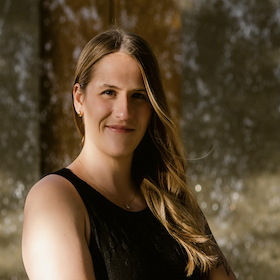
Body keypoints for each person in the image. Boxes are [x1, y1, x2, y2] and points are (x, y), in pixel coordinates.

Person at [22, 28, 237, 280]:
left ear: (152, 108)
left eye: (138, 96)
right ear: (79, 99)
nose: (124, 112)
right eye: (109, 92)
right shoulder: (54, 198)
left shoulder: (174, 201)